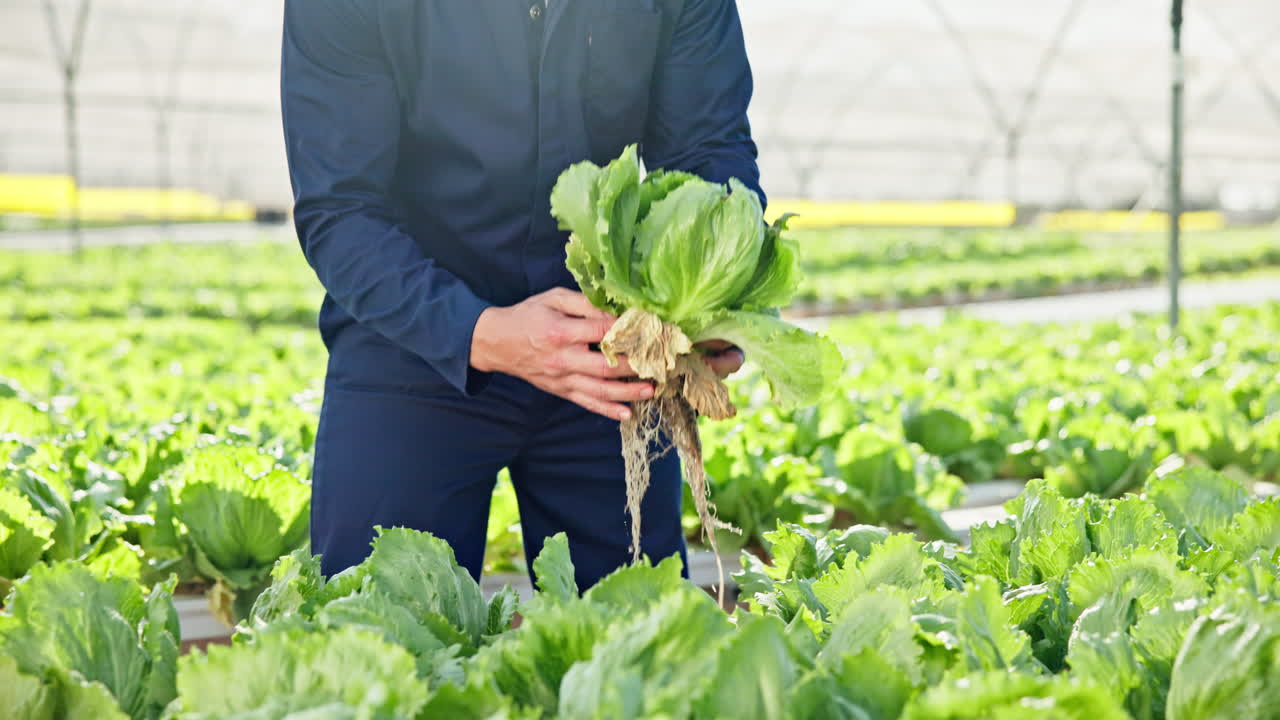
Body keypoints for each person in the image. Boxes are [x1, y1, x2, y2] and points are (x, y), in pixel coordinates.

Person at [281, 0, 763, 591]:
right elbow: (342, 211)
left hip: (608, 353)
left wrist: (715, 290)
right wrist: (480, 332)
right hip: (415, 342)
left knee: (638, 651)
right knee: (379, 639)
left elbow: (708, 153)